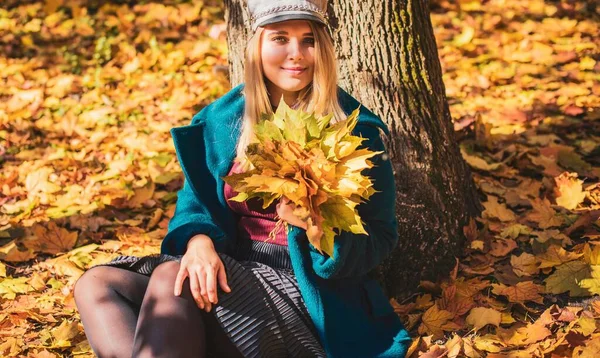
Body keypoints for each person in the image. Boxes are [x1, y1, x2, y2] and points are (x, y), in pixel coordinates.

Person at [73, 0, 411, 357]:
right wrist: (198, 242)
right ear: (257, 47)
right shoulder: (225, 119)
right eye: (280, 38)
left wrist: (317, 231)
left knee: (172, 279)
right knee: (97, 285)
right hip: (231, 268)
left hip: (303, 292)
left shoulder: (353, 131)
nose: (296, 54)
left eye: (309, 40)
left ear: (323, 49)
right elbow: (195, 204)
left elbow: (381, 237)